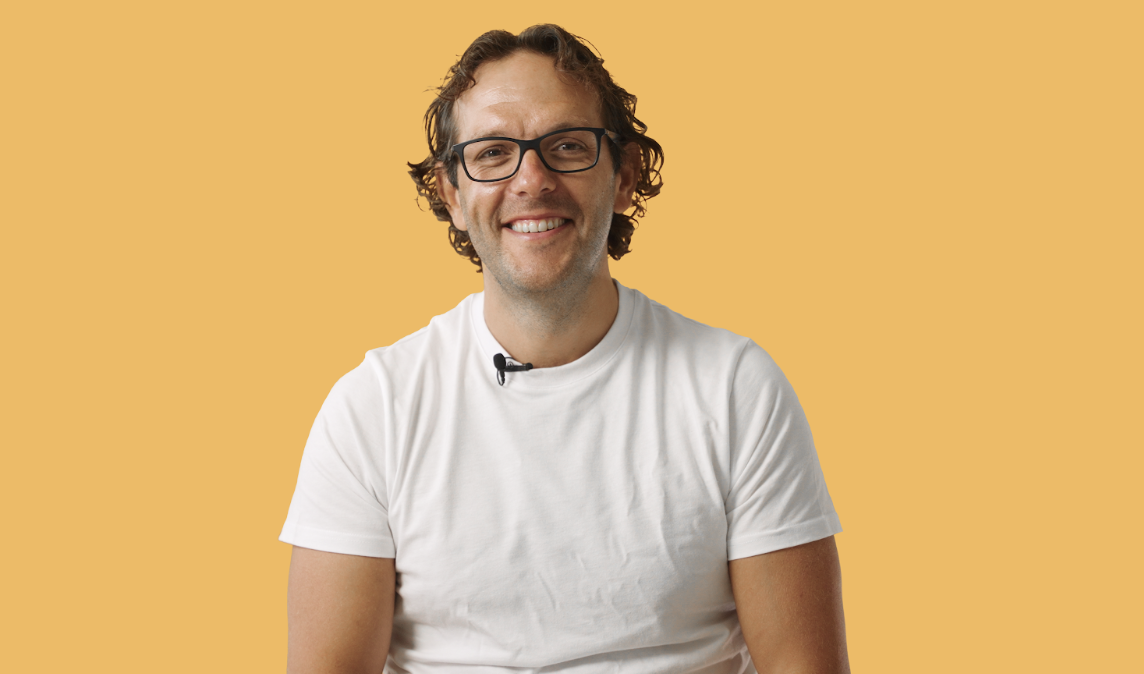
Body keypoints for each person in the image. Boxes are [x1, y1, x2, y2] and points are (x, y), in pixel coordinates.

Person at [280, 24, 849, 674]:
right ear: (452, 195)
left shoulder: (735, 389)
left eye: (568, 146)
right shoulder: (372, 409)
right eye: (493, 153)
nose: (532, 180)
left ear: (625, 175)